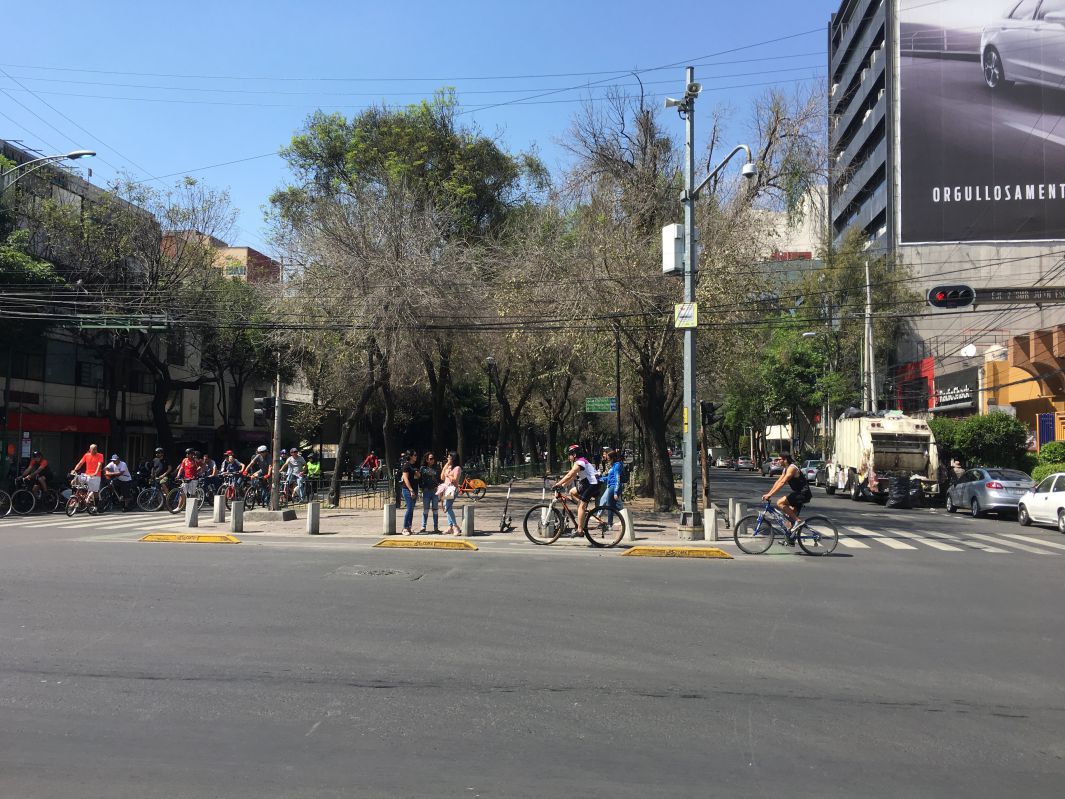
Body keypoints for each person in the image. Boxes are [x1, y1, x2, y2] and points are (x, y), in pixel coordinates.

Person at [761, 452, 812, 542]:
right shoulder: (785, 469)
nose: (777, 461)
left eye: (779, 459)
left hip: (803, 494)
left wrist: (770, 495)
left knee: (780, 502)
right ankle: (790, 540)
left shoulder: (792, 468)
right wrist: (769, 493)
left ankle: (798, 521)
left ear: (785, 459)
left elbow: (782, 482)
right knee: (788, 519)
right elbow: (778, 481)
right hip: (798, 493)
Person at [554, 444, 600, 534]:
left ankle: (580, 529)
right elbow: (572, 478)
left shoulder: (580, 462)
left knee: (581, 506)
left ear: (574, 454)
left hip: (593, 484)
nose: (568, 456)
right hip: (586, 483)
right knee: (572, 492)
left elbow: (569, 475)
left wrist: (558, 483)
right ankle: (583, 508)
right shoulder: (579, 462)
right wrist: (562, 486)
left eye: (569, 454)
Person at [599, 449, 625, 526]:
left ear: (612, 458)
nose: (607, 460)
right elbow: (610, 478)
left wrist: (616, 492)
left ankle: (612, 523)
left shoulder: (617, 465)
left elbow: (617, 479)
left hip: (614, 487)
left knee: (611, 505)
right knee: (610, 505)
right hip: (611, 486)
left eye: (608, 458)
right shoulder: (613, 465)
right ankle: (611, 522)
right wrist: (600, 479)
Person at [439, 451, 462, 535]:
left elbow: (455, 479)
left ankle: (455, 526)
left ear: (453, 458)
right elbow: (442, 477)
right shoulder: (449, 467)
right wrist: (446, 466)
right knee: (447, 507)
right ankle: (450, 526)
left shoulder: (457, 468)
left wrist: (448, 474)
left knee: (448, 507)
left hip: (452, 488)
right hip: (446, 488)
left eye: (449, 457)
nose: (448, 459)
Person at [418, 452, 441, 533]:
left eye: (433, 458)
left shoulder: (437, 468)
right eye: (431, 458)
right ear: (427, 460)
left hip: (435, 491)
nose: (432, 460)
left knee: (435, 509)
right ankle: (423, 526)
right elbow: (420, 479)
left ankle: (436, 527)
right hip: (426, 491)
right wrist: (422, 487)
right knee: (426, 509)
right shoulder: (422, 468)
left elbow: (440, 479)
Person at [399, 451, 420, 535]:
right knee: (409, 508)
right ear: (410, 456)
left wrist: (416, 473)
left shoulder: (414, 465)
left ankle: (409, 527)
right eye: (414, 455)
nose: (416, 456)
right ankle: (404, 528)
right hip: (407, 489)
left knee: (411, 509)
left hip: (415, 488)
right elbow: (405, 479)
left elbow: (418, 475)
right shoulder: (406, 466)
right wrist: (410, 490)